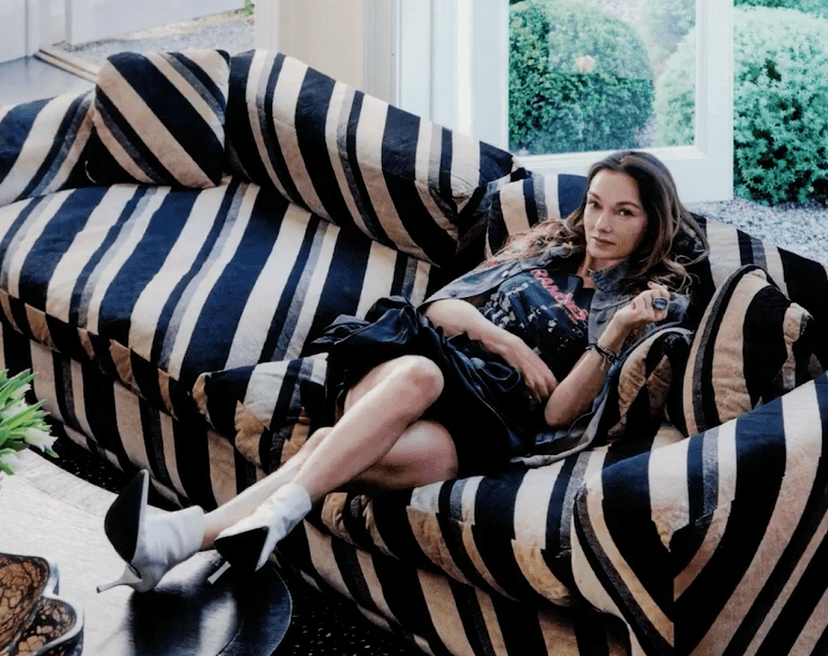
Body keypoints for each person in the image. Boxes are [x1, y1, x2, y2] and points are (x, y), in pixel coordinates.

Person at [98, 150, 709, 593]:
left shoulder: (635, 303)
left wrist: (617, 330)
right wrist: (509, 344)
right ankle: (266, 521)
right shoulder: (547, 248)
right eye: (596, 205)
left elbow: (553, 414)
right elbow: (441, 306)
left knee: (359, 452)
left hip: (489, 422)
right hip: (418, 363)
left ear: (651, 222)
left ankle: (184, 539)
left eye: (624, 213)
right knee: (419, 374)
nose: (601, 224)